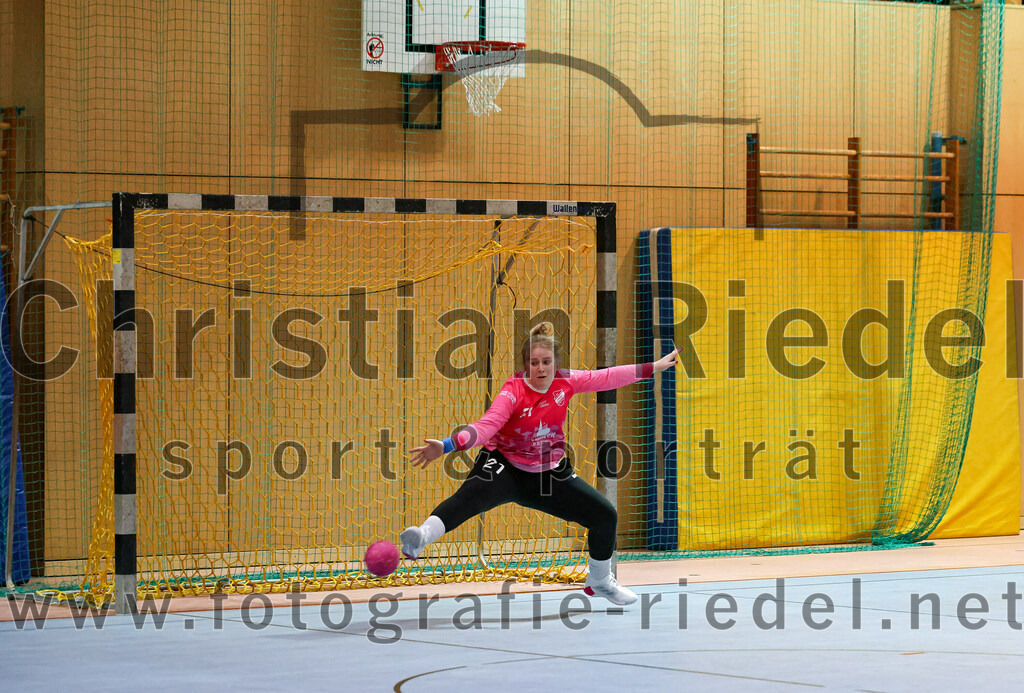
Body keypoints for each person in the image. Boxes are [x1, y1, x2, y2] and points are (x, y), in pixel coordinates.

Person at [402, 322, 679, 606]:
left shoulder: (566, 381)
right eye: (534, 363)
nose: (541, 368)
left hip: (549, 474)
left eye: (546, 362)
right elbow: (485, 428)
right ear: (525, 365)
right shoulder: (513, 391)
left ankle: (599, 580)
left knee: (605, 515)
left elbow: (606, 377)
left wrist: (653, 367)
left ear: (556, 363)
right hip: (505, 468)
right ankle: (420, 537)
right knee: (467, 499)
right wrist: (447, 445)